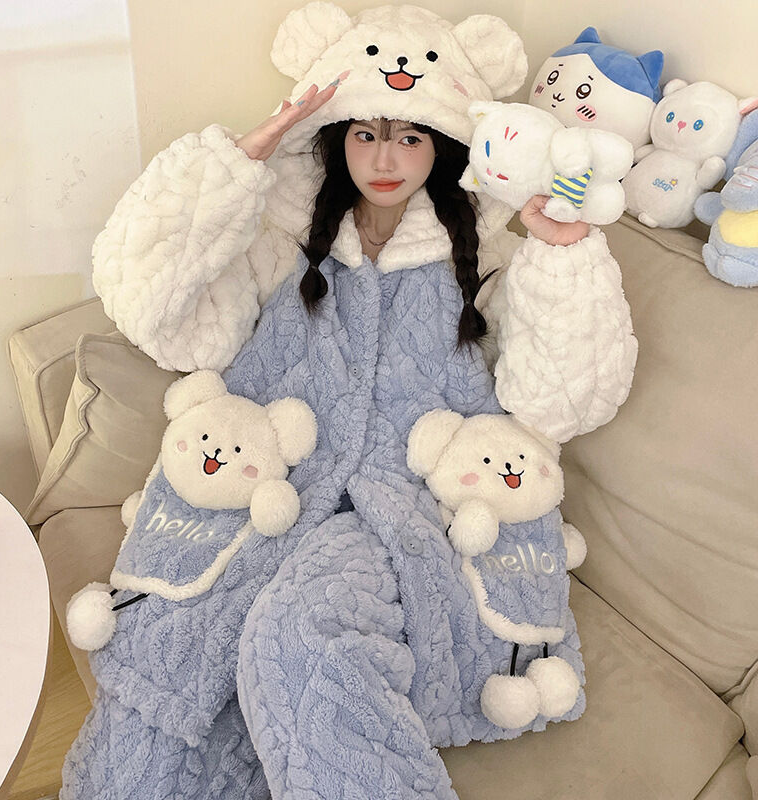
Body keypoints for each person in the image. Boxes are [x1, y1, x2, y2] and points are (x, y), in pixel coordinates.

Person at [63, 5, 637, 799]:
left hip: (400, 514)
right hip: (269, 488)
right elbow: (152, 308)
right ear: (336, 136)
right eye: (366, 133)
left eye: (410, 136)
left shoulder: (488, 247)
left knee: (301, 639)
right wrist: (236, 163)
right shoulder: (281, 236)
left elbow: (562, 399)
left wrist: (561, 253)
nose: (386, 157)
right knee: (162, 695)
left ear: (442, 143)